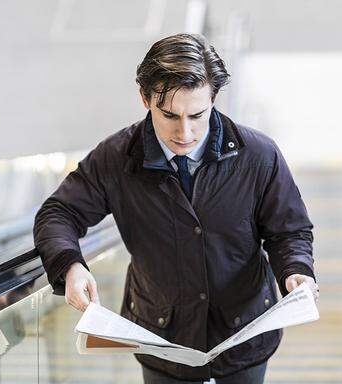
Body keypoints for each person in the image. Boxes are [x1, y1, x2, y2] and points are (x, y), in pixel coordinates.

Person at [33, 33, 318, 384]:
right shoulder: (116, 158)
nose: (185, 132)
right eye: (169, 115)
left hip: (243, 334)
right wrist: (70, 265)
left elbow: (288, 230)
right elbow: (59, 212)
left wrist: (295, 269)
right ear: (144, 98)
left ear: (214, 98)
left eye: (197, 115)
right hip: (161, 338)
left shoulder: (259, 156)